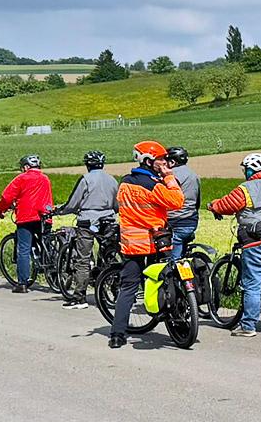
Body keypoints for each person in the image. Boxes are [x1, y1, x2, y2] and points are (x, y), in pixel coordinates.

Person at [109, 141, 185, 349]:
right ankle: (174, 321)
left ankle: (117, 335)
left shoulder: (125, 183)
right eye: (160, 159)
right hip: (155, 243)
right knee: (164, 282)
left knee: (128, 289)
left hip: (131, 243)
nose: (163, 162)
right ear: (149, 161)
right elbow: (177, 201)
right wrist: (168, 176)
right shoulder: (153, 185)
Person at [206, 153, 261, 337]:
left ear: (251, 170)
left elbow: (227, 205)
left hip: (255, 239)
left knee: (252, 283)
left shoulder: (246, 189)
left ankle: (248, 326)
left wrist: (213, 206)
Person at [53, 151, 119, 309]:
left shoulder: (86, 179)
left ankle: (79, 297)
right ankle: (113, 285)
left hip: (88, 222)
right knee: (108, 254)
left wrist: (60, 211)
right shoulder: (112, 180)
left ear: (87, 164)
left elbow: (73, 202)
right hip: (108, 220)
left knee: (82, 259)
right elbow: (117, 204)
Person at [0, 154, 54, 293]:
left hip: (26, 218)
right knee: (47, 245)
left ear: (26, 167)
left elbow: (7, 197)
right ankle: (54, 277)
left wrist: (0, 210)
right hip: (45, 216)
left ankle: (22, 283)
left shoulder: (22, 178)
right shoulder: (45, 178)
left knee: (24, 249)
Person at [164, 146, 201, 262]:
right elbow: (197, 201)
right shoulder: (194, 175)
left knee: (172, 259)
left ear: (172, 162)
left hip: (175, 222)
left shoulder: (170, 176)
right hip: (191, 221)